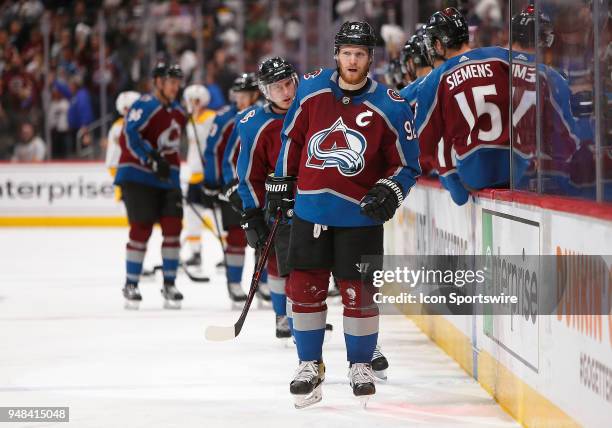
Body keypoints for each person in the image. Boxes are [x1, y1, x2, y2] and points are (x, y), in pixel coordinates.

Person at [267, 21, 420, 407]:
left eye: (360, 54)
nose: (352, 61)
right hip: (310, 211)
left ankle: (360, 364)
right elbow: (292, 138)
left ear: (371, 57)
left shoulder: (390, 103)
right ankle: (308, 363)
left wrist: (392, 188)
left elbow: (407, 164)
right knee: (304, 291)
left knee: (360, 293)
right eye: (347, 53)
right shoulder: (313, 90)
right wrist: (281, 183)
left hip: (359, 216)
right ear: (337, 54)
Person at [415, 7, 512, 206]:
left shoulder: (435, 80)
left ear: (439, 44)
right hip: (516, 168)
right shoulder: (501, 57)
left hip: (475, 174)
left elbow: (422, 146)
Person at [234, 57, 298, 340]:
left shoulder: (312, 109)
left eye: (288, 84)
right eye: (277, 88)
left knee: (311, 268)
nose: (285, 92)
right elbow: (248, 175)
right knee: (279, 264)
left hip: (317, 202)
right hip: (279, 207)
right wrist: (252, 214)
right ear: (264, 91)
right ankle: (283, 316)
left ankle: (303, 314)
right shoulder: (253, 124)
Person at [114, 63, 187, 310]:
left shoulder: (179, 112)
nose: (175, 87)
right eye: (170, 82)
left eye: (177, 82)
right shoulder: (144, 105)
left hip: (169, 180)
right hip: (138, 176)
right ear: (157, 82)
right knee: (141, 229)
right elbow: (129, 135)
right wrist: (151, 158)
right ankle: (131, 283)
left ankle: (169, 283)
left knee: (173, 228)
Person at [203, 73, 260, 303]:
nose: (240, 100)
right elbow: (214, 152)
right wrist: (213, 182)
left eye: (245, 95)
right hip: (234, 187)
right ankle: (234, 283)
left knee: (264, 239)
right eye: (238, 95)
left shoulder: (264, 115)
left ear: (256, 94)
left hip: (259, 188)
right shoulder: (227, 117)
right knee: (236, 236)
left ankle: (264, 283)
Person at [182, 84, 216, 268]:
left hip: (209, 176)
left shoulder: (211, 118)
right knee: (192, 217)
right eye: (189, 100)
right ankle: (195, 252)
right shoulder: (191, 120)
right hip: (194, 176)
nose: (191, 103)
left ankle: (228, 251)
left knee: (218, 214)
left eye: (194, 100)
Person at [105, 90, 140, 201]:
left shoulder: (127, 125)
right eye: (125, 108)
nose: (126, 111)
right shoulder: (118, 127)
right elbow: (112, 159)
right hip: (124, 173)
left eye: (128, 108)